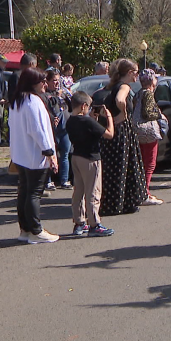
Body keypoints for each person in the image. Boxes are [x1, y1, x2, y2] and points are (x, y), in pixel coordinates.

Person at [8, 67, 59, 244]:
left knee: (24, 191)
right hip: (35, 154)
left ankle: (25, 229)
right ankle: (36, 231)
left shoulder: (16, 101)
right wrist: (49, 152)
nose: (45, 84)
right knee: (34, 193)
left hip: (20, 154)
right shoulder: (33, 102)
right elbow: (39, 130)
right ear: (32, 83)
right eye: (42, 81)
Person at [99, 59, 148, 215]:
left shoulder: (113, 86)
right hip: (121, 131)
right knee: (124, 167)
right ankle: (123, 203)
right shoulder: (124, 86)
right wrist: (124, 113)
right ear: (130, 73)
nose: (137, 76)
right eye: (136, 73)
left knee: (114, 168)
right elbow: (120, 100)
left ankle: (115, 203)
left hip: (114, 130)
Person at [66, 91, 115, 237]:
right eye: (88, 106)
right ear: (83, 106)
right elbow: (109, 134)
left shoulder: (70, 121)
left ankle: (79, 222)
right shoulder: (87, 122)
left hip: (76, 156)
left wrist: (94, 119)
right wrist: (109, 117)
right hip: (91, 158)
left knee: (79, 191)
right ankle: (94, 224)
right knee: (93, 191)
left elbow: (88, 131)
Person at [134, 69, 165, 205]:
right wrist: (159, 115)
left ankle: (140, 191)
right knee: (150, 163)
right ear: (152, 81)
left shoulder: (138, 93)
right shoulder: (148, 94)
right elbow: (147, 113)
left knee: (141, 163)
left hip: (137, 130)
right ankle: (145, 192)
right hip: (148, 131)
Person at [44, 70, 72, 189]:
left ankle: (64, 180)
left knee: (65, 154)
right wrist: (57, 96)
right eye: (54, 80)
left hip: (65, 128)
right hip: (52, 129)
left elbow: (70, 107)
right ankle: (48, 181)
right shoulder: (46, 95)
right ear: (47, 82)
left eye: (58, 81)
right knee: (51, 155)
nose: (57, 83)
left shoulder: (63, 93)